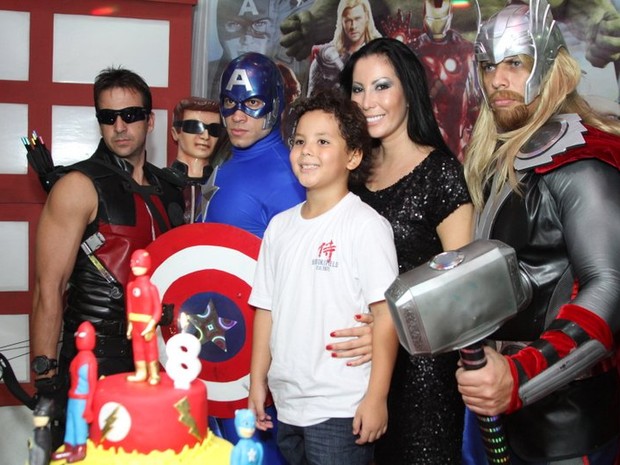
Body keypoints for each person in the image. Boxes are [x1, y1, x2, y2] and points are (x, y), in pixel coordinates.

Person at [455, 1, 620, 464]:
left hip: (569, 426)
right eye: (488, 66)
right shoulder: (500, 160)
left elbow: (610, 288)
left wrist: (521, 374)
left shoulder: (582, 161)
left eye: (514, 63)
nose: (496, 81)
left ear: (548, 64)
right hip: (506, 418)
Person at [202, 52, 377, 464]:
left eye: (252, 103)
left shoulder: (289, 173)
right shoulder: (225, 162)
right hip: (231, 351)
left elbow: (318, 271)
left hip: (292, 371)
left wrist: (375, 323)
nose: (237, 114)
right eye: (229, 102)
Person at [30, 66, 184, 448]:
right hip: (93, 357)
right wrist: (47, 379)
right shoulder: (77, 186)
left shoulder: (169, 189)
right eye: (107, 117)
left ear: (149, 121)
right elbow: (48, 289)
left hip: (158, 355)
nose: (119, 126)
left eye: (130, 115)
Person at [340, 37, 474, 465]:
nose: (367, 101)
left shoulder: (440, 173)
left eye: (381, 86)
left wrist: (391, 329)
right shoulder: (351, 174)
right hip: (353, 371)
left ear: (408, 91)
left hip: (422, 378)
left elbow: (462, 292)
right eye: (358, 90)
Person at [248, 88, 399, 465]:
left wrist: (377, 397)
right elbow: (265, 309)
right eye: (299, 141)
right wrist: (256, 381)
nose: (307, 150)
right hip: (287, 404)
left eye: (322, 141)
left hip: (341, 407)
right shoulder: (279, 228)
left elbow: (387, 317)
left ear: (353, 155)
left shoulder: (366, 226)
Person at [167, 97, 230, 223]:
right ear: (175, 133)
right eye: (194, 127)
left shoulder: (225, 186)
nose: (205, 136)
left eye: (214, 130)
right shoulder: (161, 185)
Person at [306, 0, 381, 96]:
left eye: (357, 19)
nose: (353, 26)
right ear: (341, 21)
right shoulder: (325, 59)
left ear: (367, 17)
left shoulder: (382, 53)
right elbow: (310, 103)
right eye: (348, 20)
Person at [51, 321, 97, 463]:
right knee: (70, 423)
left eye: (84, 336)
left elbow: (92, 385)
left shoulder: (90, 360)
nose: (81, 339)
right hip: (72, 397)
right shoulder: (76, 358)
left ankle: (80, 449)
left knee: (79, 424)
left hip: (83, 399)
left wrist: (89, 407)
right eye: (79, 335)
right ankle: (68, 447)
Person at [125, 249, 162, 385]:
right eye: (133, 263)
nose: (134, 266)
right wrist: (129, 326)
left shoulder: (151, 288)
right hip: (135, 325)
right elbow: (130, 307)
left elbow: (157, 309)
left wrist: (151, 324)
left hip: (147, 325)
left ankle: (154, 374)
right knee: (138, 350)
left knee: (151, 350)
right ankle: (141, 372)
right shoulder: (130, 286)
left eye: (138, 263)